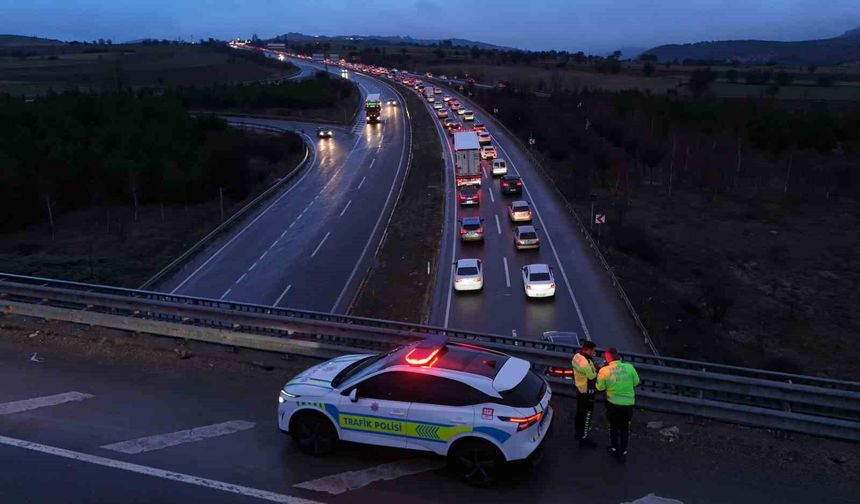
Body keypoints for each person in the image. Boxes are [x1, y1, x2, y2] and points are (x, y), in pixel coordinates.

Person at [596, 347, 640, 463]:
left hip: (613, 405)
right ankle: (623, 451)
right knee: (625, 428)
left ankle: (615, 449)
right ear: (618, 356)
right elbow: (636, 382)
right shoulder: (629, 367)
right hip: (628, 405)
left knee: (614, 427)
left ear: (608, 358)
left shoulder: (604, 370)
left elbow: (600, 388)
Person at [571, 341, 598, 448]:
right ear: (588, 350)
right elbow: (592, 376)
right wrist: (598, 368)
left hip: (579, 388)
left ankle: (578, 433)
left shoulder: (576, 356)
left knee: (579, 413)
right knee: (587, 415)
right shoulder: (586, 362)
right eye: (593, 351)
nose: (594, 353)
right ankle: (584, 438)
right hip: (587, 392)